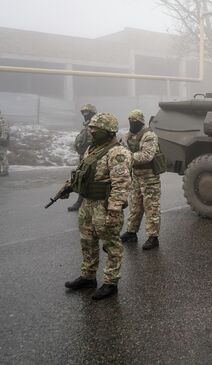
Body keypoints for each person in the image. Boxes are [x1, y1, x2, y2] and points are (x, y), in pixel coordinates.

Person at [63, 112, 132, 300]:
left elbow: (121, 184)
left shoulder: (118, 153)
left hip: (105, 205)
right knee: (87, 241)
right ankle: (88, 276)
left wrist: (114, 210)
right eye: (91, 128)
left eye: (96, 129)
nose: (91, 131)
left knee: (111, 244)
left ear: (109, 131)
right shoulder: (92, 149)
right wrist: (69, 186)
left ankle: (111, 282)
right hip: (88, 204)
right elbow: (81, 172)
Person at [119, 109, 162, 250]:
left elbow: (146, 156)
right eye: (131, 121)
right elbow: (120, 150)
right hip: (136, 176)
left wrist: (127, 157)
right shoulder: (127, 136)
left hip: (149, 176)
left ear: (141, 122)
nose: (133, 124)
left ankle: (153, 237)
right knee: (135, 205)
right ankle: (131, 232)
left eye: (135, 122)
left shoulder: (149, 136)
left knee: (151, 207)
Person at [68, 104, 96, 211]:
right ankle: (81, 202)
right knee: (83, 178)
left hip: (92, 157)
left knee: (89, 179)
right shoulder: (86, 126)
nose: (85, 115)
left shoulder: (95, 126)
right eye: (83, 113)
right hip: (84, 157)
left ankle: (82, 202)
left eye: (87, 112)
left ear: (92, 113)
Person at [0, 110, 9, 177]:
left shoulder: (2, 121)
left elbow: (5, 131)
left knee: (2, 155)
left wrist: (2, 139)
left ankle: (5, 170)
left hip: (2, 142)